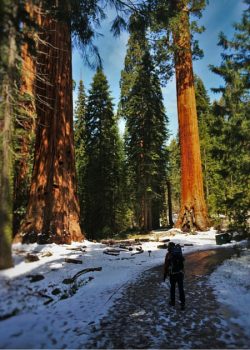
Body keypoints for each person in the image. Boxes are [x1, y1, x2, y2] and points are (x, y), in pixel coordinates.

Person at [163, 242, 186, 310]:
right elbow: (183, 261)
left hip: (172, 274)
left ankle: (173, 302)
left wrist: (165, 275)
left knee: (172, 288)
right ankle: (183, 304)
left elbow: (166, 265)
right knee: (181, 289)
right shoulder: (179, 253)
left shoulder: (168, 255)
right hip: (180, 274)